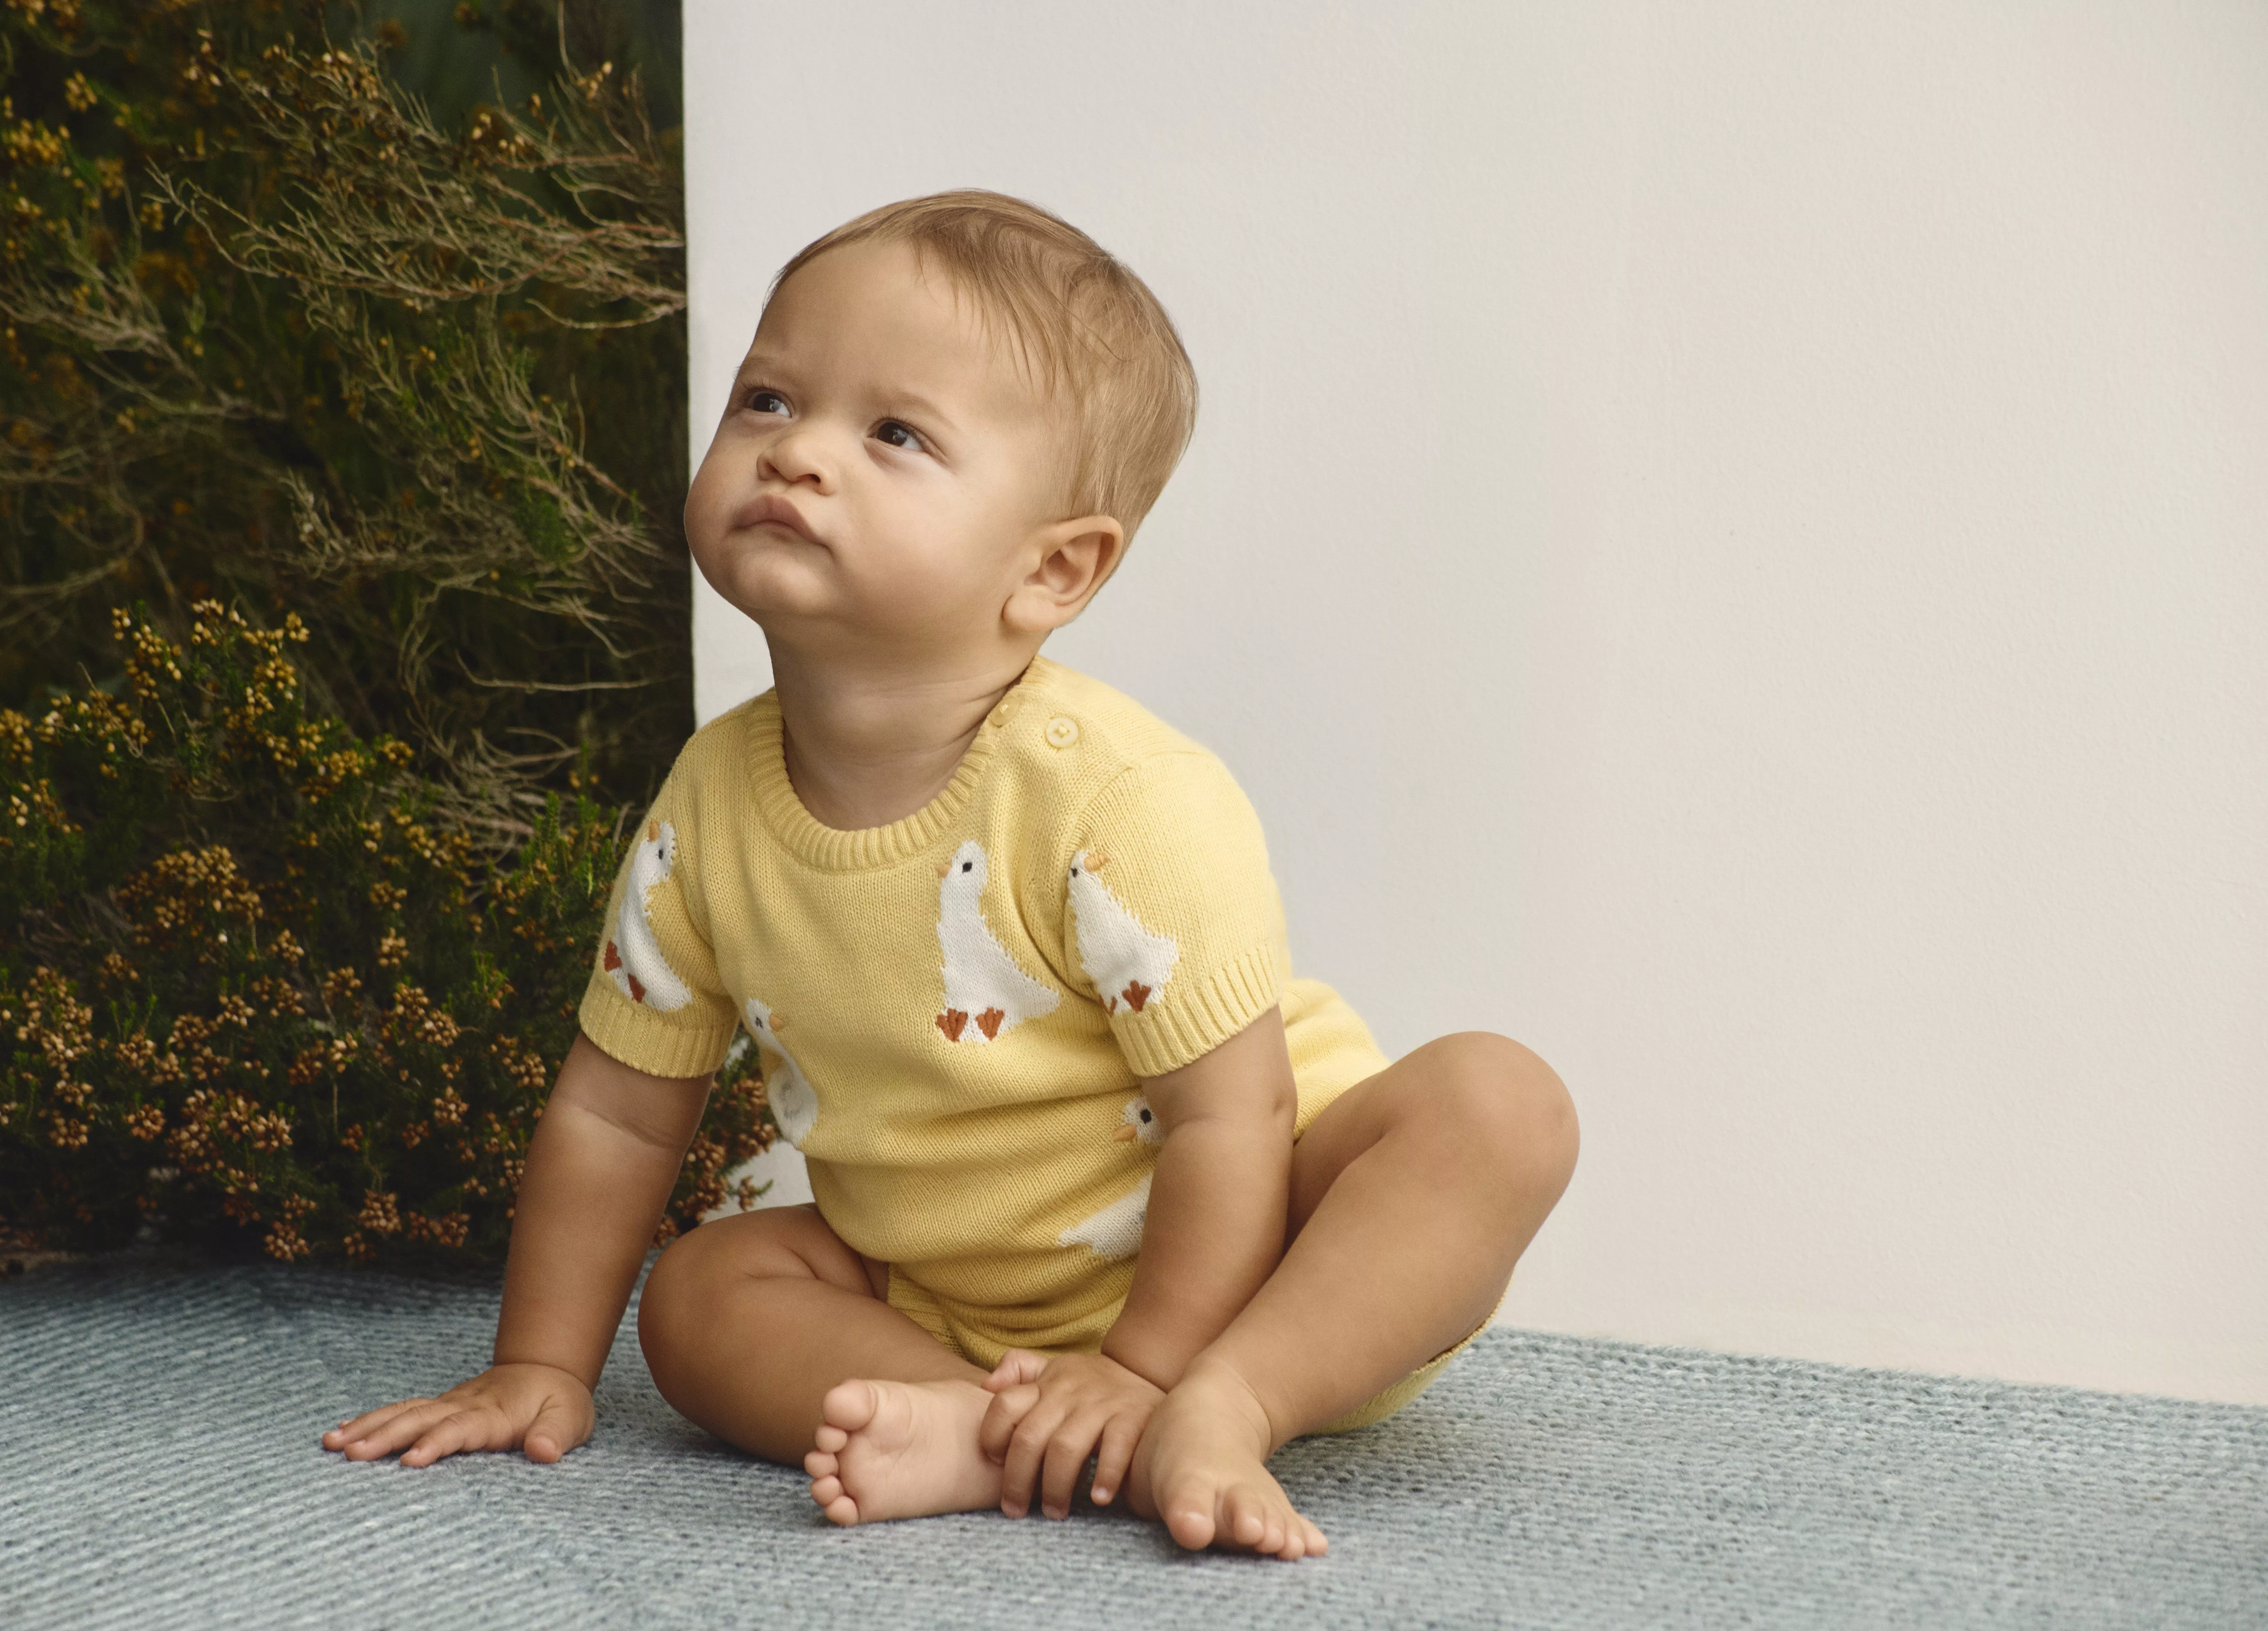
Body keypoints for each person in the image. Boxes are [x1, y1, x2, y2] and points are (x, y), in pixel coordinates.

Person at [322, 192, 1579, 1560]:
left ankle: (1224, 1409)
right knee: (699, 1297)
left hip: (1273, 1257)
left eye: (895, 434)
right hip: (953, 1295)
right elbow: (621, 1120)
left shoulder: (1116, 798)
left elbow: (1234, 1121)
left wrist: (1160, 1364)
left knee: (1499, 1106)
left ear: (1052, 570)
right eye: (767, 399)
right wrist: (543, 1364)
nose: (797, 453)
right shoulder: (708, 808)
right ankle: (990, 1431)